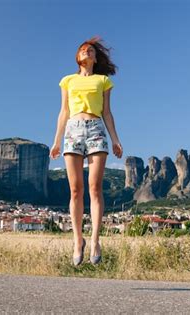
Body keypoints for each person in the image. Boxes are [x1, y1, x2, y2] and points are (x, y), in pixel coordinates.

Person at [49, 36, 123, 266]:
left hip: (96, 130)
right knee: (75, 190)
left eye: (90, 50)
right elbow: (63, 111)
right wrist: (57, 141)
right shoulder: (67, 80)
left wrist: (115, 139)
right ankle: (77, 240)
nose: (87, 52)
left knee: (95, 188)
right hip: (73, 129)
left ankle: (95, 241)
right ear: (78, 57)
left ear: (95, 57)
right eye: (83, 50)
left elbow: (107, 113)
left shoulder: (103, 80)